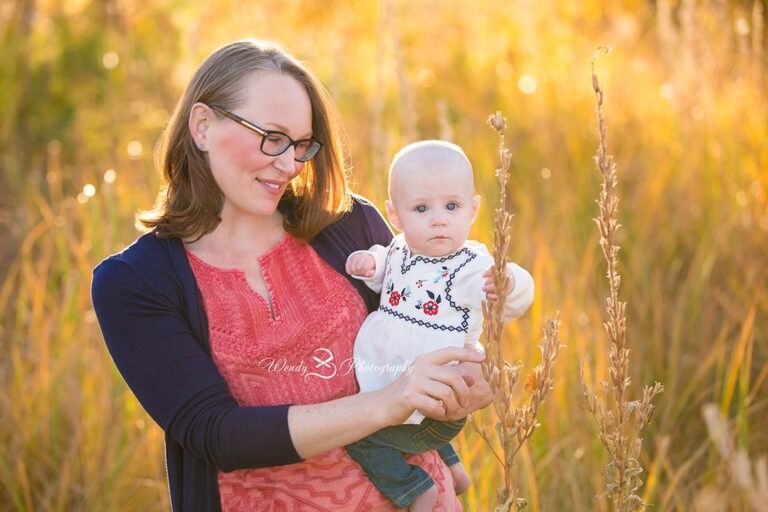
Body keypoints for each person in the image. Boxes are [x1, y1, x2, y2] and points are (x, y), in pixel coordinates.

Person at [91, 39, 494, 512]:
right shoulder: (135, 283)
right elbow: (218, 436)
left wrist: (469, 382)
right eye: (272, 137)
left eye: (301, 144)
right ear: (202, 126)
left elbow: (423, 324)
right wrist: (389, 400)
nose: (289, 165)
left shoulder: (347, 224)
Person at [343, 140, 534, 511]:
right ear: (395, 216)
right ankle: (455, 468)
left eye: (451, 206)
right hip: (403, 387)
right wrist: (366, 263)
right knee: (403, 406)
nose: (438, 219)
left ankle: (416, 489)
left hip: (438, 402)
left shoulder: (469, 266)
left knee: (360, 437)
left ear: (472, 209)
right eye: (420, 208)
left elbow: (514, 290)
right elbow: (382, 269)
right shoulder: (400, 248)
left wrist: (508, 284)